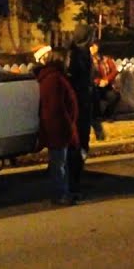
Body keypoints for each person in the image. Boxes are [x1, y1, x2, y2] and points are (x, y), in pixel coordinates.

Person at [37, 47, 78, 207]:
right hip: (58, 128)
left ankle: (63, 192)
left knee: (60, 162)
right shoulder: (54, 79)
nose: (69, 62)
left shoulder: (53, 77)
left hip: (59, 126)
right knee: (58, 164)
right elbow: (56, 108)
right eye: (67, 59)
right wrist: (67, 127)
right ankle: (60, 194)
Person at [66, 24, 95, 197]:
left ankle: (77, 177)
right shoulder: (76, 56)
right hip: (79, 104)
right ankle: (73, 182)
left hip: (84, 103)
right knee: (77, 143)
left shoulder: (84, 53)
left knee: (82, 142)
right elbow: (77, 81)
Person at [90, 42, 121, 127]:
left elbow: (114, 71)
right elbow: (90, 75)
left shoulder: (106, 59)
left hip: (106, 85)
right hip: (94, 86)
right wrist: (98, 81)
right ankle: (96, 116)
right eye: (92, 46)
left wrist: (106, 80)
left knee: (115, 96)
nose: (93, 48)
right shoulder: (88, 60)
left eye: (95, 46)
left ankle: (107, 115)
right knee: (93, 94)